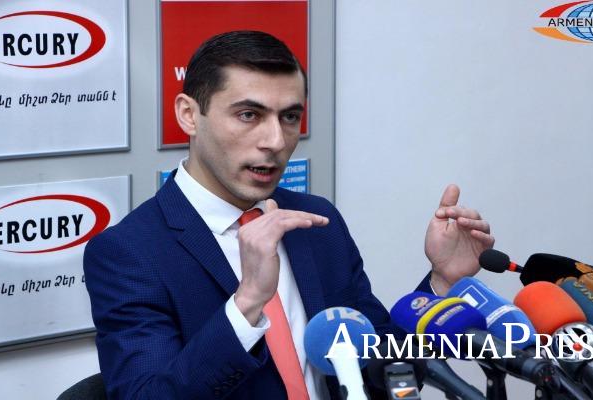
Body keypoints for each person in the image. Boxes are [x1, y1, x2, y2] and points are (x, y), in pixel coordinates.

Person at [83, 30, 494, 400]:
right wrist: (246, 303)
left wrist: (442, 282)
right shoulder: (129, 252)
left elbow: (382, 367)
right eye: (249, 115)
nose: (276, 140)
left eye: (290, 117)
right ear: (189, 115)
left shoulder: (316, 220)